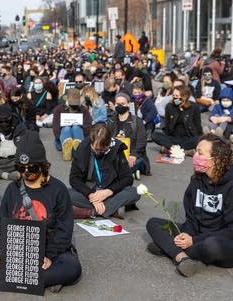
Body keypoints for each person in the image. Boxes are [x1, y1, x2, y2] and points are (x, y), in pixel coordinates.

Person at [0, 130, 82, 292]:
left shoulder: (58, 189)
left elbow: (64, 230)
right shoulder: (12, 189)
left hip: (50, 251)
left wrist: (48, 256)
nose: (26, 172)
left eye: (32, 168)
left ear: (43, 165)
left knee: (72, 268)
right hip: (18, 251)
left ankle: (3, 282)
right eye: (21, 168)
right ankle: (45, 280)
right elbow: (3, 224)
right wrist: (2, 250)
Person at [146, 134, 233, 277]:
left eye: (200, 153)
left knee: (211, 245)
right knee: (153, 223)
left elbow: (230, 231)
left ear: (216, 159)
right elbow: (191, 217)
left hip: (221, 240)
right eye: (195, 151)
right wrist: (187, 234)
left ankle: (169, 249)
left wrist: (193, 240)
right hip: (197, 235)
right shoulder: (197, 180)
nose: (195, 156)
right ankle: (182, 257)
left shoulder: (230, 185)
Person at [69, 123, 140, 219]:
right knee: (64, 192)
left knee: (135, 192)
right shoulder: (83, 148)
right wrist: (90, 195)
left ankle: (89, 212)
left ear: (108, 144)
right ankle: (111, 210)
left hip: (110, 191)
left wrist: (108, 192)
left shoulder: (116, 149)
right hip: (90, 190)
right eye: (95, 149)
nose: (97, 152)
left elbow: (127, 178)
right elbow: (74, 178)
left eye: (101, 150)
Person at [109, 92, 151, 179]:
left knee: (124, 167)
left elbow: (142, 142)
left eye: (123, 103)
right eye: (117, 104)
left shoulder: (137, 121)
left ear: (128, 104)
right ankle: (131, 171)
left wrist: (133, 155)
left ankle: (133, 169)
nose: (120, 106)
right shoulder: (111, 121)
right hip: (116, 155)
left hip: (134, 155)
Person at [152, 85, 203, 155]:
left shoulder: (194, 107)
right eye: (173, 95)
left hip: (188, 138)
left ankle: (170, 149)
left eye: (177, 96)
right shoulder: (169, 107)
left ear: (185, 96)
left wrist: (200, 138)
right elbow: (167, 125)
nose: (175, 98)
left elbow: (198, 125)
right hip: (173, 138)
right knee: (155, 135)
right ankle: (182, 150)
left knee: (200, 139)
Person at [52, 88, 92, 161]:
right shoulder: (59, 109)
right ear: (67, 99)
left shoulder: (84, 110)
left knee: (76, 127)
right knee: (67, 128)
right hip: (63, 135)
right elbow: (55, 126)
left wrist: (79, 125)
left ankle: (78, 147)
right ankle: (67, 148)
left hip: (79, 134)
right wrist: (58, 136)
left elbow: (88, 126)